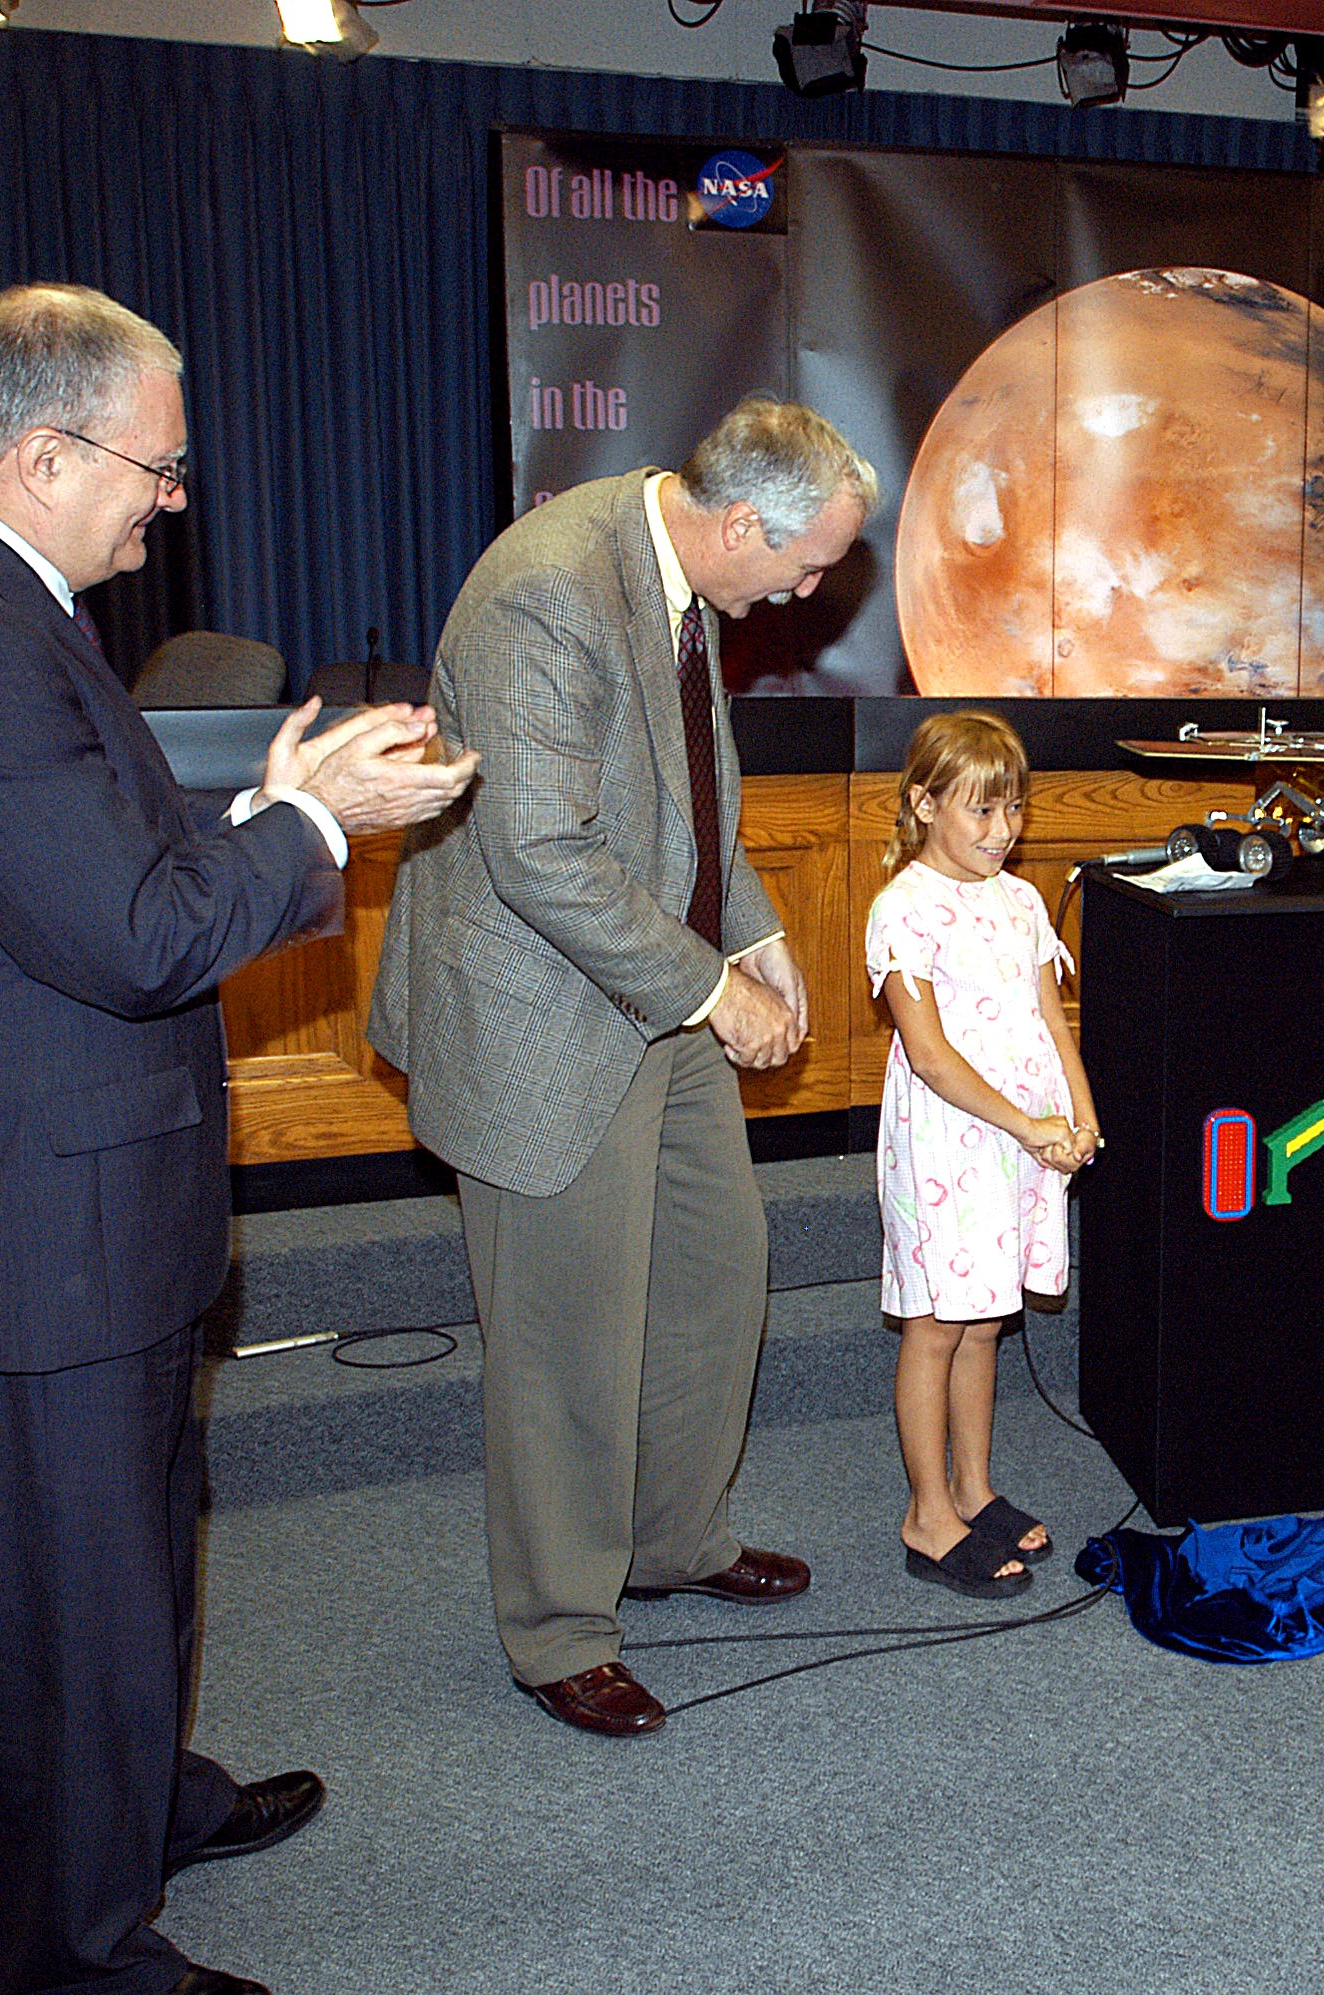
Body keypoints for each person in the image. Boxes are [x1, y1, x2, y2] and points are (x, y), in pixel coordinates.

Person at [0, 283, 476, 1995]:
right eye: (156, 471)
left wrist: (252, 807)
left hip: (75, 1188)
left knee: (139, 1543)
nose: (171, 502)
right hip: (41, 1215)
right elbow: (133, 940)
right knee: (68, 1606)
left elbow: (78, 860)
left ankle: (142, 1803)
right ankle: (81, 1955)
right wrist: (323, 819)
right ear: (43, 454)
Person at [370, 395, 872, 1737]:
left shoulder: (683, 580)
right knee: (565, 1338)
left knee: (717, 1268)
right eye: (809, 562)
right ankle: (557, 1627)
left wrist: (753, 932)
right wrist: (713, 986)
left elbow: (688, 788)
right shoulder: (548, 590)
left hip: (654, 985)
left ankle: (671, 1537)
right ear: (741, 520)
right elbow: (541, 850)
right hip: (545, 1013)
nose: (814, 590)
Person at [866, 711, 1095, 1597]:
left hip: (1018, 1143)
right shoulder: (904, 908)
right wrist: (1026, 1122)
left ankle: (974, 1486)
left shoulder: (1022, 901)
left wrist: (1078, 1111)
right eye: (981, 811)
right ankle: (928, 1512)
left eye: (1015, 811)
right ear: (923, 803)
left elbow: (1050, 1018)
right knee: (936, 1323)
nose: (1003, 832)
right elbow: (929, 1054)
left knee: (986, 1315)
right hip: (948, 1143)